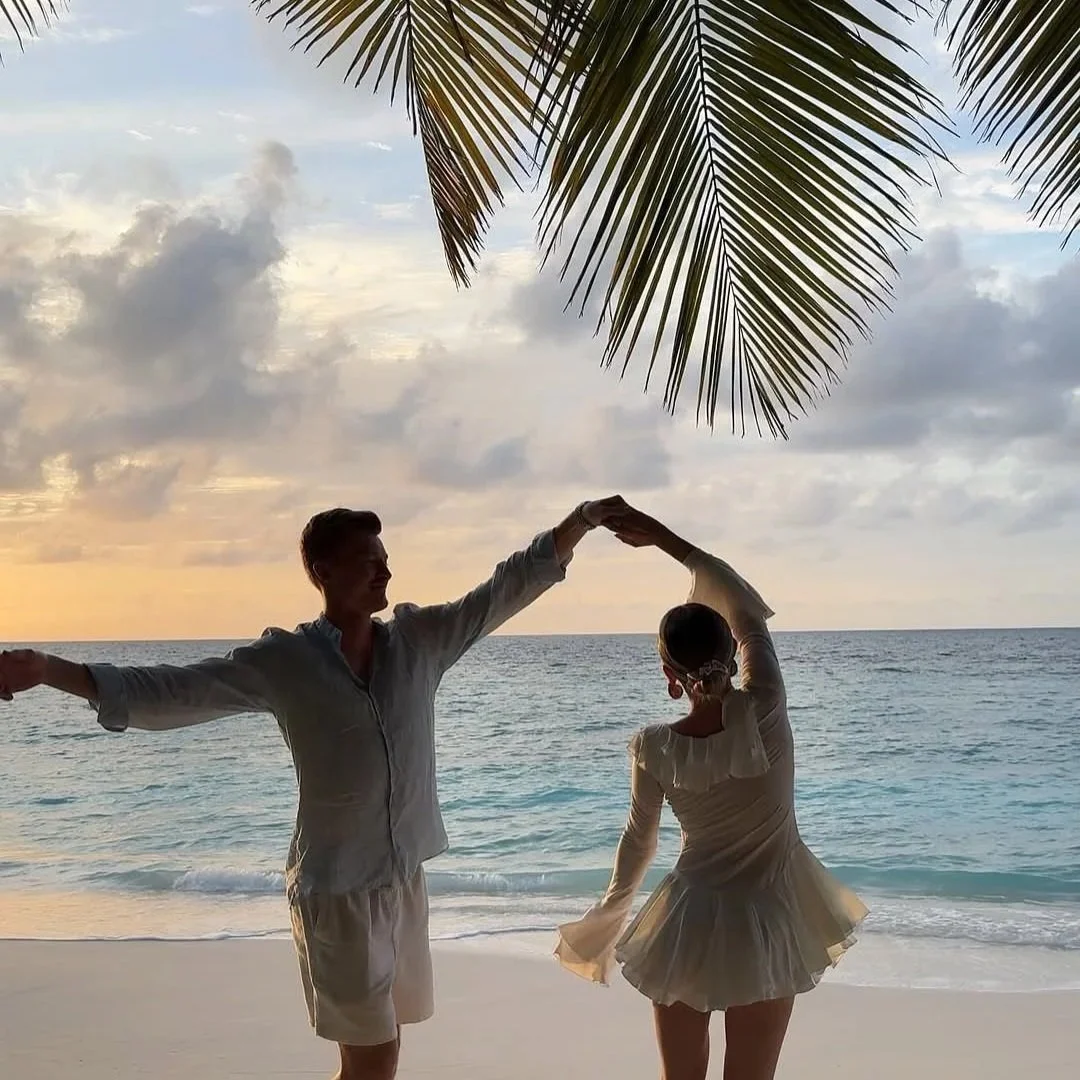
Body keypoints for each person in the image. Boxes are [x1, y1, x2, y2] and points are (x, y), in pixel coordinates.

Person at [0, 496, 625, 1080]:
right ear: (323, 571)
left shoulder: (420, 641)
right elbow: (172, 691)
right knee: (373, 1057)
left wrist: (581, 522)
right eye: (368, 561)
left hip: (403, 876)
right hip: (336, 888)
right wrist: (50, 670)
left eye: (385, 559)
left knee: (380, 1048)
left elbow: (503, 590)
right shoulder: (288, 661)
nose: (385, 572)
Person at [555, 504, 867, 1080]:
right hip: (767, 922)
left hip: (686, 921)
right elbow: (745, 610)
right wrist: (665, 539)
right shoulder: (766, 707)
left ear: (669, 677)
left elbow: (638, 843)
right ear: (731, 653)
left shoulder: (653, 746)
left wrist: (609, 913)